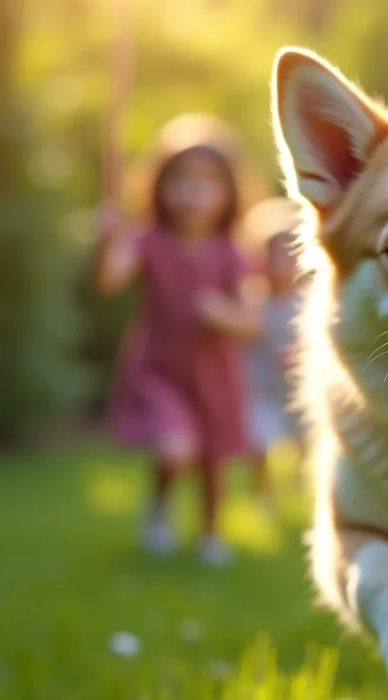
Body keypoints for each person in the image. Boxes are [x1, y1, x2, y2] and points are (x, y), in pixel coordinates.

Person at [94, 114, 266, 566]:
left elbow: (252, 322)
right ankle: (160, 508)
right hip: (160, 369)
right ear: (159, 186)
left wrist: (223, 314)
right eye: (180, 181)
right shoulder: (148, 240)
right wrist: (108, 240)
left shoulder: (232, 252)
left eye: (206, 183)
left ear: (229, 192)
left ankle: (211, 533)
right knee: (176, 447)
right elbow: (110, 280)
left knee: (213, 459)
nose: (192, 194)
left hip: (213, 373)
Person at [241, 217, 309, 511]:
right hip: (261, 389)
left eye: (288, 254)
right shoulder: (252, 301)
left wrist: (299, 352)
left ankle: (305, 483)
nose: (280, 262)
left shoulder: (306, 302)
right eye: (272, 254)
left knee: (305, 442)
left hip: (296, 393)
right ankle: (262, 494)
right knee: (258, 443)